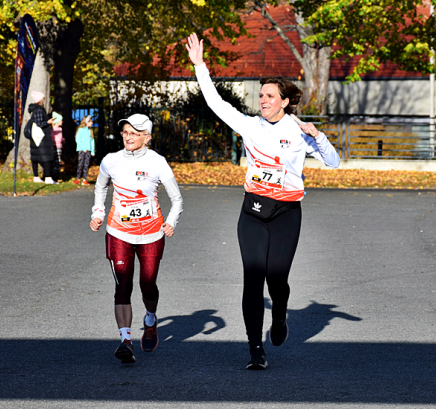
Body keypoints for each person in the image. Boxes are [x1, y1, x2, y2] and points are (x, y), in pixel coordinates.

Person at [186, 33, 341, 369]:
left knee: (277, 278)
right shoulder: (250, 126)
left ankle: (281, 316)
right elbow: (216, 103)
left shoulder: (299, 132)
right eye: (261, 95)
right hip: (253, 212)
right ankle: (255, 348)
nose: (263, 100)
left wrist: (319, 136)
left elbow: (334, 162)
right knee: (254, 277)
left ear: (285, 101)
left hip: (287, 213)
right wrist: (200, 66)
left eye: (270, 95)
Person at [90, 114, 183, 364]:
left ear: (147, 137)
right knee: (123, 285)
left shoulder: (158, 162)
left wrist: (171, 222)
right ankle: (125, 341)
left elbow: (177, 199)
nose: (128, 136)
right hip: (118, 232)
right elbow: (100, 187)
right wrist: (98, 213)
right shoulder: (110, 160)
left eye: (135, 132)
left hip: (152, 233)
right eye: (126, 132)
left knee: (148, 283)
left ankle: (150, 318)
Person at [26, 91, 57, 184]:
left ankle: (36, 176)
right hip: (41, 137)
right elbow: (39, 123)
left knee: (35, 156)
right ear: (40, 100)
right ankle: (48, 177)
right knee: (46, 156)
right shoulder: (39, 110)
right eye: (43, 98)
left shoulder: (34, 110)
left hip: (35, 137)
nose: (44, 100)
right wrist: (48, 122)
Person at [75, 115, 95, 186]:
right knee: (80, 164)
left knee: (86, 165)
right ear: (86, 122)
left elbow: (92, 141)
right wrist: (83, 148)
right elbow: (78, 140)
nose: (92, 123)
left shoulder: (90, 131)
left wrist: (92, 151)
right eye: (90, 121)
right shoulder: (80, 130)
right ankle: (78, 178)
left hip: (88, 150)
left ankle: (84, 179)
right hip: (81, 150)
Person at [51, 111, 64, 178]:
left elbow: (60, 137)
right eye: (61, 120)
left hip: (59, 146)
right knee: (55, 161)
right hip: (54, 146)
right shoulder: (53, 129)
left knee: (58, 161)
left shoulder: (60, 129)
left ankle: (56, 174)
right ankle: (54, 175)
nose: (62, 122)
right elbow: (52, 138)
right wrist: (58, 140)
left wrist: (63, 140)